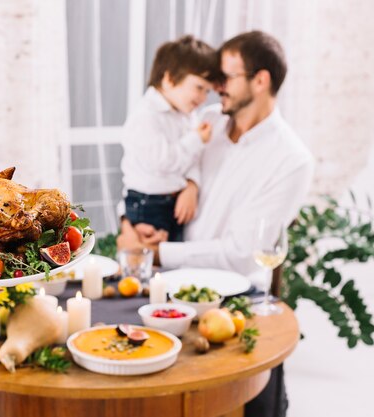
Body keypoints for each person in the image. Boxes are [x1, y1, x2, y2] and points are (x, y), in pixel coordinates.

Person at [118, 31, 315, 416]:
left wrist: (159, 252)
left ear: (260, 81)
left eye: (226, 77)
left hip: (234, 304)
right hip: (169, 288)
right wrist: (131, 219)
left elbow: (243, 255)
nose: (215, 86)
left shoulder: (291, 160)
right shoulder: (206, 120)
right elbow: (149, 169)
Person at [120, 35, 218, 243]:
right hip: (147, 204)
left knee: (171, 263)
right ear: (169, 79)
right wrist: (196, 139)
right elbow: (162, 162)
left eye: (208, 91)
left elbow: (193, 160)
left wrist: (192, 185)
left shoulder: (185, 115)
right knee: (148, 261)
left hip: (173, 202)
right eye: (199, 87)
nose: (203, 98)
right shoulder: (146, 116)